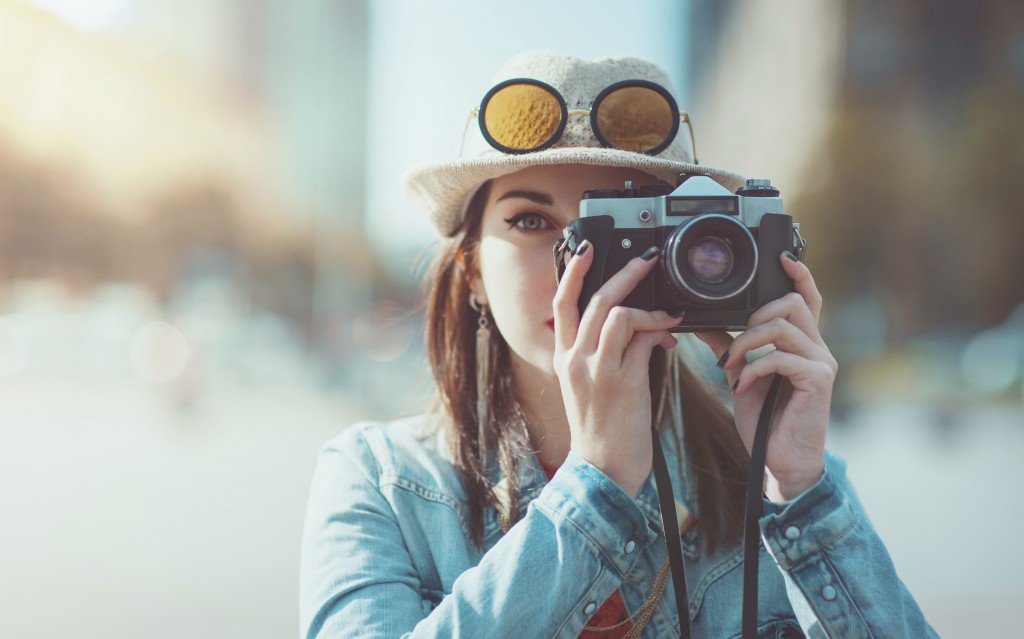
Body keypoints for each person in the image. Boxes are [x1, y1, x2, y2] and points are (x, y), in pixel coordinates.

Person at [300, 51, 936, 638]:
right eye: (531, 221)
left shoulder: (782, 478)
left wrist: (798, 491)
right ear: (471, 271)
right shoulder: (379, 480)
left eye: (618, 225)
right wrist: (596, 483)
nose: (577, 265)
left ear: (690, 252)